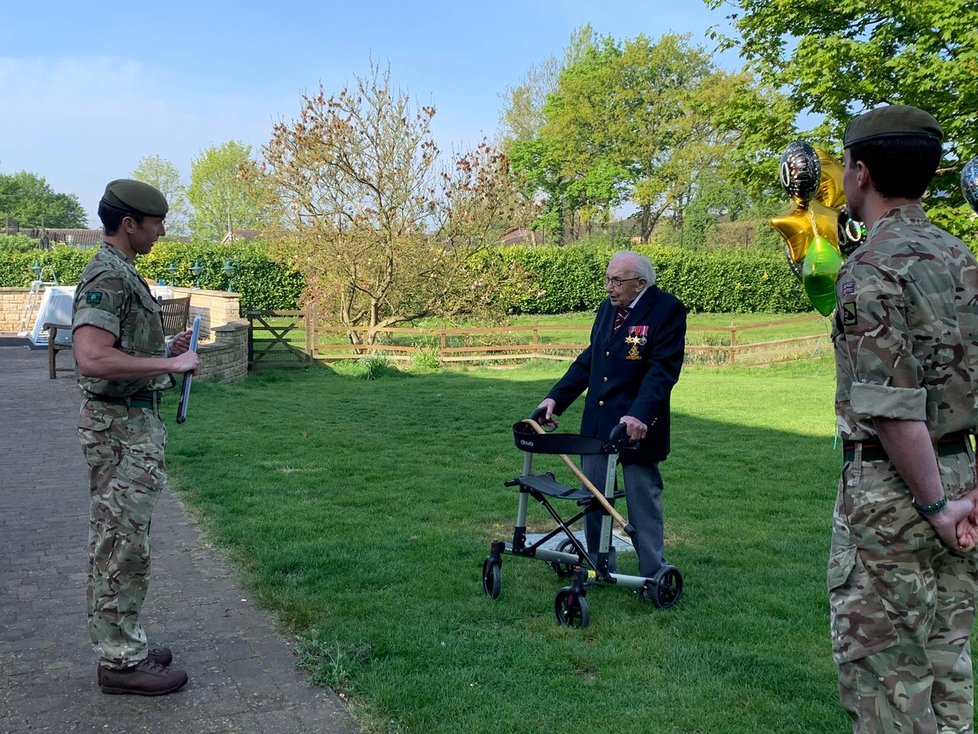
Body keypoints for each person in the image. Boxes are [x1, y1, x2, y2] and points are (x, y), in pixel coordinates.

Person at [830, 105, 978, 733]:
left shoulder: (871, 269)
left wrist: (936, 505)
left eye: (843, 163)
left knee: (889, 680)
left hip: (894, 496)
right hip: (963, 477)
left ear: (861, 172)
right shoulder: (961, 258)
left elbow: (892, 411)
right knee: (948, 669)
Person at [72, 179, 199, 696]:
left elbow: (121, 348)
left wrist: (165, 346)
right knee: (120, 544)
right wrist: (169, 362)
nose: (161, 232)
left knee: (126, 540)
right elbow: (93, 357)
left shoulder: (123, 273)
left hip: (131, 424)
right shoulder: (107, 273)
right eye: (155, 223)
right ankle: (120, 662)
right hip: (119, 429)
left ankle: (125, 640)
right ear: (130, 224)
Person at [537, 250, 686, 591]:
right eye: (607, 279)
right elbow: (590, 359)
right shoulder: (608, 309)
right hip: (598, 423)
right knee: (594, 498)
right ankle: (598, 565)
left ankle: (653, 574)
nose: (609, 287)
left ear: (640, 283)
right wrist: (555, 399)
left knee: (641, 500)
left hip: (637, 426)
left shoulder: (667, 310)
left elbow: (661, 370)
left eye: (616, 281)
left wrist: (639, 414)